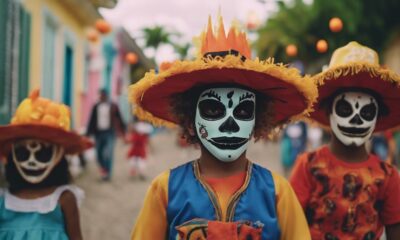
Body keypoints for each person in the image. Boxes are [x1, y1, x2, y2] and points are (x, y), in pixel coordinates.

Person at [129, 16, 317, 240]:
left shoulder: (277, 191)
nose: (230, 125)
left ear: (257, 122)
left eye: (243, 112)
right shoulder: (166, 189)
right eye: (213, 110)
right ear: (190, 122)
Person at [290, 42, 400, 239]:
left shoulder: (388, 176)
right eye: (345, 110)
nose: (356, 120)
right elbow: (291, 228)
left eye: (366, 112)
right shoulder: (309, 166)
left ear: (377, 117)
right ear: (329, 111)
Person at [0, 90, 92, 239]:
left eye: (43, 153)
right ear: (13, 155)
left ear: (58, 156)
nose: (31, 160)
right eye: (23, 152)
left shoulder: (64, 199)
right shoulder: (3, 201)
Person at [86, 88, 126, 180]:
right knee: (98, 154)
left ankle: (107, 173)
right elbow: (91, 120)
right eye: (100, 95)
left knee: (108, 153)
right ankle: (103, 168)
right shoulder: (96, 106)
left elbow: (120, 119)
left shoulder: (113, 106)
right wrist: (88, 133)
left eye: (103, 95)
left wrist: (124, 132)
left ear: (107, 96)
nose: (102, 97)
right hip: (98, 133)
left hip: (110, 133)